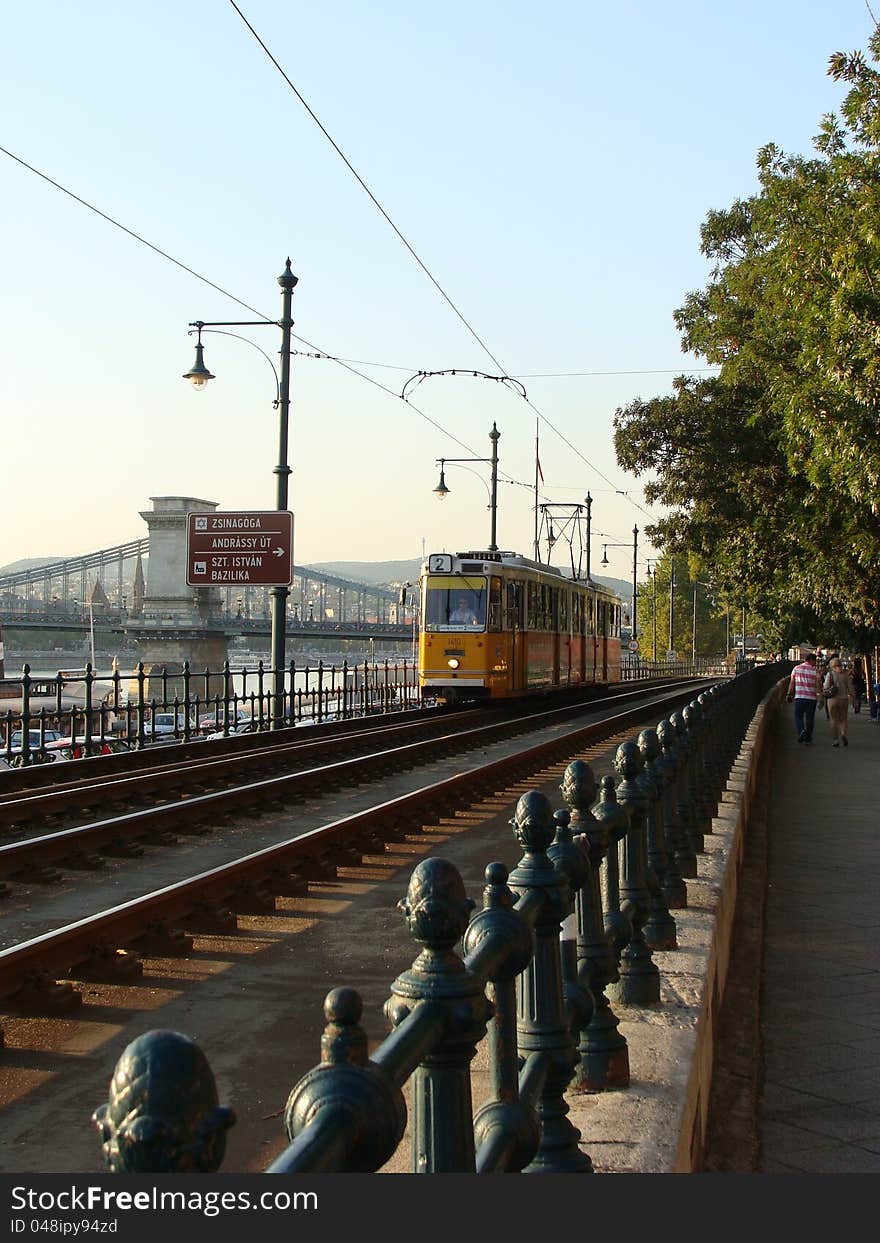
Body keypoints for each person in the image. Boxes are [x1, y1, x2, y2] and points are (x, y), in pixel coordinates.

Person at [786, 650, 822, 745]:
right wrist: (821, 697)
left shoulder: (796, 668)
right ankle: (808, 738)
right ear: (811, 660)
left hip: (799, 697)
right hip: (811, 698)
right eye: (815, 661)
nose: (815, 663)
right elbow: (819, 685)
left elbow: (792, 682)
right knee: (810, 718)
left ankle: (801, 731)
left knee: (798, 716)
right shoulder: (815, 671)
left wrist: (789, 694)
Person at [823, 656, 855, 747]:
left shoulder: (830, 674)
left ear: (832, 666)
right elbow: (851, 688)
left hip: (832, 699)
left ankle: (835, 740)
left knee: (833, 720)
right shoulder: (846, 675)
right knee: (843, 719)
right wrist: (854, 697)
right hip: (844, 699)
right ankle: (843, 734)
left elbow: (825, 687)